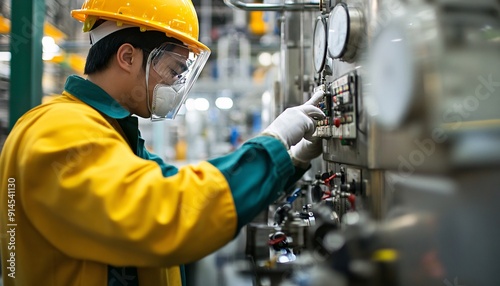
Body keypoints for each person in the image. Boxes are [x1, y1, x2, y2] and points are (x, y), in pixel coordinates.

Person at [0, 0, 325, 285]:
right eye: (172, 69)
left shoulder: (110, 130)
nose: (173, 84)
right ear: (127, 56)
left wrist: (291, 161)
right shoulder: (59, 129)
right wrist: (271, 143)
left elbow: (176, 184)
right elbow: (163, 210)